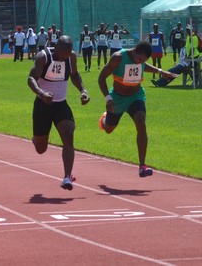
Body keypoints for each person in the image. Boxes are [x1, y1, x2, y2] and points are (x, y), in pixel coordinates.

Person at [98, 41, 176, 177]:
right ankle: (104, 119)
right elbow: (101, 78)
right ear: (134, 51)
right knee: (108, 129)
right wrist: (108, 99)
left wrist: (160, 71)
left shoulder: (140, 61)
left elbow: (143, 66)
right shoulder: (118, 57)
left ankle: (142, 166)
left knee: (141, 123)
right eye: (139, 59)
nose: (140, 63)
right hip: (117, 98)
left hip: (136, 96)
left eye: (143, 61)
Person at [28, 36, 89, 190]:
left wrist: (83, 90)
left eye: (69, 52)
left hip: (61, 104)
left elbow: (74, 74)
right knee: (41, 149)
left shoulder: (71, 57)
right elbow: (31, 78)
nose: (66, 56)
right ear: (57, 47)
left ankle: (67, 177)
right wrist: (42, 94)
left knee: (68, 134)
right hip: (43, 105)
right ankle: (36, 139)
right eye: (64, 52)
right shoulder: (44, 57)